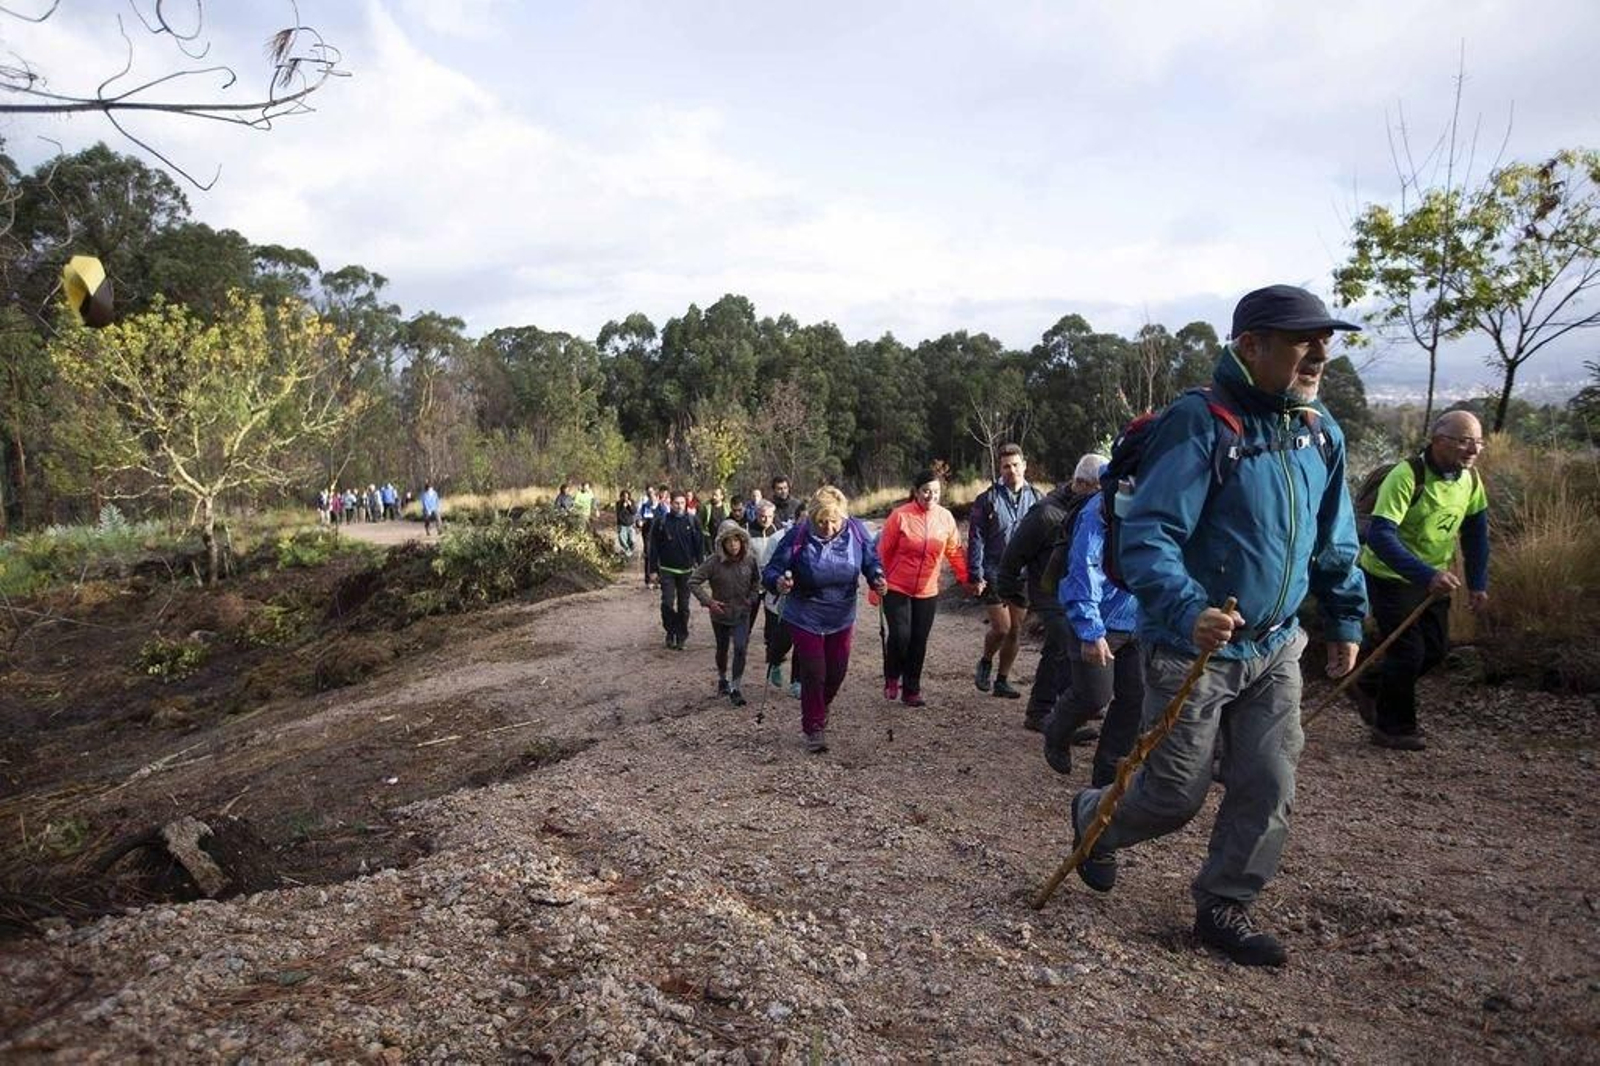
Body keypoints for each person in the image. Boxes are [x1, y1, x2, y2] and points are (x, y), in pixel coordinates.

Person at [1068, 284, 1367, 969]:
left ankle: (1225, 905)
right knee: (1174, 794)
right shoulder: (1200, 422)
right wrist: (1187, 609)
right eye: (1303, 341)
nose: (1320, 355)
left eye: (1325, 340)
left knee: (1268, 780)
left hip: (1277, 644)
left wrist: (1345, 618)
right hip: (1191, 646)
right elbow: (1148, 534)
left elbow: (1334, 537)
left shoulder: (1320, 430)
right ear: (1251, 345)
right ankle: (1093, 819)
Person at [1353, 410, 1490, 750]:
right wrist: (1427, 575)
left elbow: (1476, 533)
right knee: (1408, 652)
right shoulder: (1406, 475)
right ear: (1438, 441)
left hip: (1434, 578)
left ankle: (1368, 684)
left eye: (1478, 442)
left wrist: (1477, 583)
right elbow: (1381, 536)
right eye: (1464, 441)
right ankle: (1393, 729)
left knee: (1435, 650)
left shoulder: (1470, 480)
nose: (1473, 450)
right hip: (1389, 575)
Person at [763, 487, 887, 753]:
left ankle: (822, 705)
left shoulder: (856, 530)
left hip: (841, 613)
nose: (828, 528)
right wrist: (779, 582)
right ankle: (814, 726)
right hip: (805, 612)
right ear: (812, 518)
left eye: (834, 521)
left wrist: (877, 576)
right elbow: (771, 570)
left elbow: (871, 560)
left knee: (837, 671)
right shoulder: (798, 534)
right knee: (814, 671)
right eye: (821, 522)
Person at [1046, 472, 1144, 788]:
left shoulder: (1170, 497)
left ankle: (1106, 779)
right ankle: (1056, 731)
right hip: (1098, 619)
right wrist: (1090, 629)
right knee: (1093, 697)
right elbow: (1083, 567)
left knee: (1135, 698)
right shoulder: (1101, 507)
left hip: (1141, 621)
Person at [998, 454, 1108, 734]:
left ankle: (1075, 705)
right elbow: (1013, 555)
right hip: (1049, 592)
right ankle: (1042, 712)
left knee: (1073, 648)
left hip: (1078, 591)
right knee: (1061, 647)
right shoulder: (1045, 513)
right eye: (1100, 488)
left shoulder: (1094, 510)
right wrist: (1011, 593)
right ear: (1082, 483)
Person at [877, 468, 979, 707]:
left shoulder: (945, 518)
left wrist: (966, 579)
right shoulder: (900, 516)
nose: (930, 496)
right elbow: (882, 552)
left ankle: (911, 689)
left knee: (918, 640)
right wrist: (876, 584)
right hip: (896, 586)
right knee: (900, 636)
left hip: (927, 589)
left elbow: (954, 552)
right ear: (916, 491)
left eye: (935, 491)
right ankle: (892, 676)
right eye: (925, 491)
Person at [968, 442, 1044, 700]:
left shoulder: (1037, 498)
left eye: (1015, 465)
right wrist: (975, 573)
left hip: (1023, 573)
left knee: (1015, 630)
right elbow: (976, 537)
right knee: (1002, 627)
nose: (1011, 470)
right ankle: (986, 661)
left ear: (1024, 465)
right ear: (999, 469)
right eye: (1006, 467)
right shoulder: (987, 499)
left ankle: (1002, 680)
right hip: (994, 570)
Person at [690, 520, 763, 706]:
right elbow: (693, 581)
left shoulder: (750, 560)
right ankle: (722, 678)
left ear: (742, 541)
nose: (733, 545)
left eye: (736, 540)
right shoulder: (713, 562)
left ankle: (735, 687)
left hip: (742, 612)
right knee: (722, 649)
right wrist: (709, 602)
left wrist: (752, 598)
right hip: (720, 614)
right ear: (722, 543)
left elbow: (757, 582)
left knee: (740, 648)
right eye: (729, 541)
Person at [748, 500, 797, 696]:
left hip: (799, 597)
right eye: (762, 515)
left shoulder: (812, 538)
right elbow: (768, 566)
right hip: (771, 590)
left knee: (800, 639)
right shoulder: (778, 538)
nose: (766, 519)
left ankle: (797, 681)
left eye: (769, 516)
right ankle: (774, 660)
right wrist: (775, 582)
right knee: (779, 636)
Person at [652, 490, 705, 649]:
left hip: (686, 571)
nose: (680, 506)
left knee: (684, 606)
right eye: (676, 503)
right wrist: (652, 570)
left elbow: (699, 545)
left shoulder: (693, 521)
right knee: (667, 604)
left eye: (682, 503)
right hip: (666, 569)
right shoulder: (661, 522)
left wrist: (701, 567)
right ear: (670, 503)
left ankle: (681, 636)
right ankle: (671, 631)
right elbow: (653, 547)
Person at [615, 490, 637, 558]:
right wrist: (623, 507)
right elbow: (619, 515)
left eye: (627, 497)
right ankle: (627, 552)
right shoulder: (618, 504)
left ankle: (629, 551)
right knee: (622, 540)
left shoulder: (632, 502)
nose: (625, 498)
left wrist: (630, 505)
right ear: (621, 497)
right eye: (624, 496)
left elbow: (634, 512)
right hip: (622, 525)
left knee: (632, 540)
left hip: (630, 524)